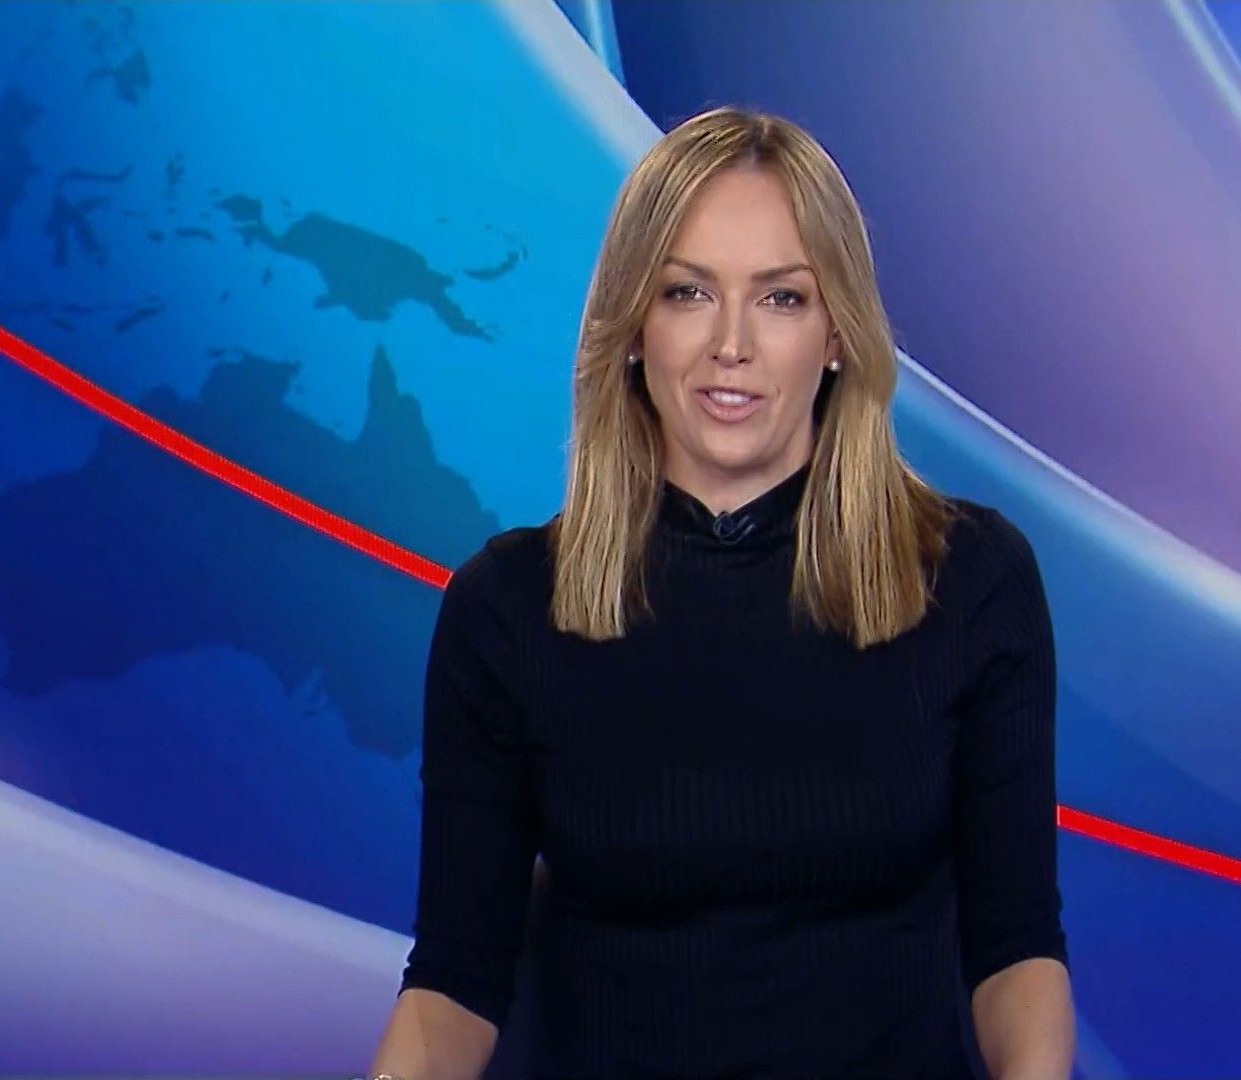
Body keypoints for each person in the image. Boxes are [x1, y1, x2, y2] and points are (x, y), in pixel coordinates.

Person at [368, 105, 1074, 1080]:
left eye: (781, 298)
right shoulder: (509, 609)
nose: (730, 344)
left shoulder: (972, 582)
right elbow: (454, 984)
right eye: (688, 292)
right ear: (633, 326)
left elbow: (1016, 948)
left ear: (837, 333)